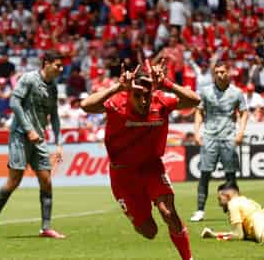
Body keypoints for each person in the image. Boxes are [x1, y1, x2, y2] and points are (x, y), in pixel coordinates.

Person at [80, 60, 200, 260]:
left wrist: (168, 84)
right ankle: (134, 213)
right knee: (149, 231)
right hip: (123, 174)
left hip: (151, 166)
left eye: (147, 95)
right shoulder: (117, 102)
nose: (144, 101)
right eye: (138, 95)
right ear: (129, 93)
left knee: (168, 212)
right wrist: (118, 87)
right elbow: (86, 105)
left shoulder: (160, 101)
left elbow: (194, 101)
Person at [0, 51, 65, 239]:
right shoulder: (28, 79)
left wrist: (59, 143)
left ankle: (46, 227)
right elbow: (14, 103)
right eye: (58, 65)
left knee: (46, 180)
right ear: (46, 63)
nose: (61, 69)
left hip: (39, 139)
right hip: (21, 136)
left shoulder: (53, 87)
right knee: (14, 180)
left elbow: (54, 116)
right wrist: (29, 129)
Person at [190, 60, 248, 222]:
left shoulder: (236, 93)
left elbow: (244, 113)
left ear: (228, 72)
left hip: (228, 137)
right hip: (209, 137)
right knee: (205, 173)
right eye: (217, 72)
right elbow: (199, 112)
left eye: (223, 72)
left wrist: (241, 132)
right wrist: (196, 132)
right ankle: (200, 210)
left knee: (230, 175)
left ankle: (234, 209)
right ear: (213, 74)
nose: (220, 75)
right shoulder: (205, 92)